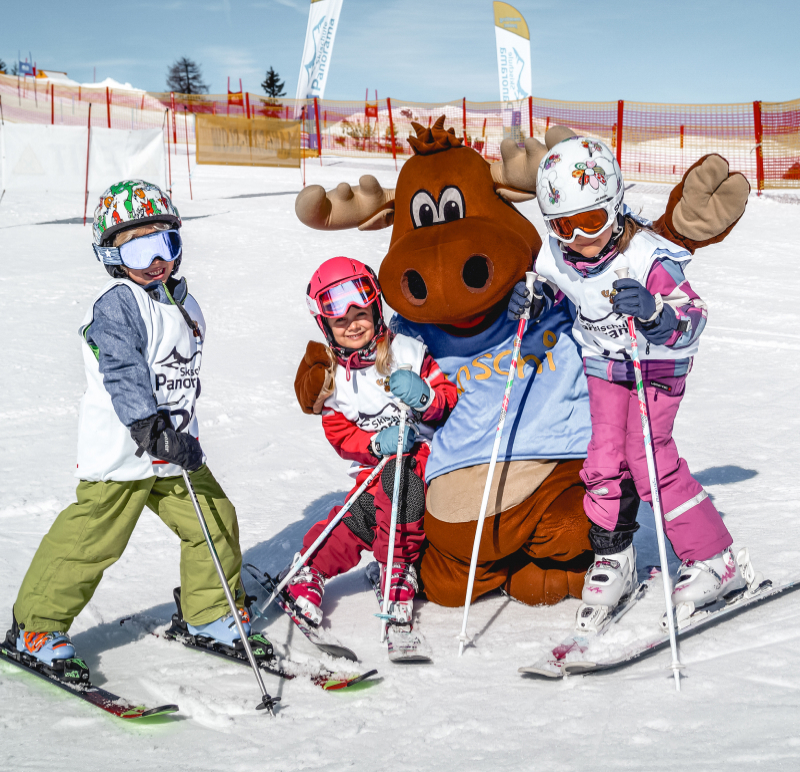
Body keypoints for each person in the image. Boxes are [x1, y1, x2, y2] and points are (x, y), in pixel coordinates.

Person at [5, 180, 254, 680]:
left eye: (164, 243)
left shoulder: (181, 302)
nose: (154, 259)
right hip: (124, 451)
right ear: (111, 255)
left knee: (213, 519)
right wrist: (148, 425)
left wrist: (180, 431)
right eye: (138, 247)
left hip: (175, 450)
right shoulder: (119, 303)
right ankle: (36, 626)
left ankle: (208, 612)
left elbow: (180, 372)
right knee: (92, 540)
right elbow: (122, 369)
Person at [510, 137, 752, 628]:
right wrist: (535, 302)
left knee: (647, 455)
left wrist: (658, 313)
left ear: (615, 208)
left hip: (657, 363)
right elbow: (556, 291)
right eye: (562, 225)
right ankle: (613, 555)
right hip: (605, 363)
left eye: (591, 222)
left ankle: (714, 559)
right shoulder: (557, 256)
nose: (578, 237)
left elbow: (694, 316)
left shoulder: (647, 258)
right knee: (602, 456)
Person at [286, 256, 457, 627]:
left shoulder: (408, 353)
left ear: (376, 308)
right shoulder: (334, 378)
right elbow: (339, 433)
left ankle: (397, 566)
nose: (353, 325)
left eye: (360, 313)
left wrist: (425, 397)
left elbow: (446, 398)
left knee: (401, 482)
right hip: (375, 468)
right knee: (359, 516)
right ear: (326, 325)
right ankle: (309, 569)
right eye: (340, 320)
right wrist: (375, 444)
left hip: (425, 463)